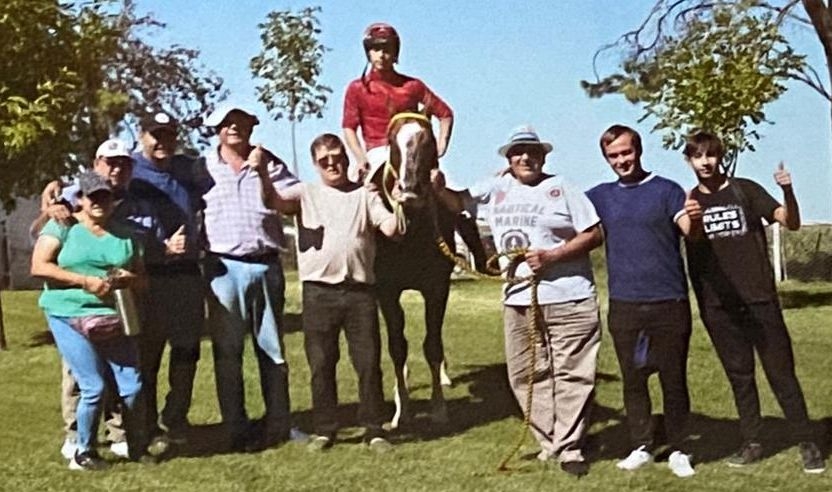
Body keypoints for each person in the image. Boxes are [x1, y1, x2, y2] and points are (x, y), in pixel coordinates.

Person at [436, 126, 603, 477]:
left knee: (571, 373)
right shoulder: (494, 188)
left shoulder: (562, 188)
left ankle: (570, 447)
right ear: (509, 158)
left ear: (543, 156)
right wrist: (434, 185)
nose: (525, 157)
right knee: (525, 374)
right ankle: (550, 440)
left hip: (568, 295)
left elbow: (594, 233)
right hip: (518, 299)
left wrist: (553, 256)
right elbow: (457, 202)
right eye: (518, 152)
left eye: (532, 152)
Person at [682, 131, 825, 474]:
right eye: (698, 156)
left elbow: (790, 222)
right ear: (689, 161)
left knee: (781, 373)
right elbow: (691, 236)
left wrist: (788, 191)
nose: (705, 162)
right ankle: (752, 441)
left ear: (720, 157)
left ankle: (807, 441)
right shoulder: (688, 201)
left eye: (711, 155)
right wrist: (695, 218)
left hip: (759, 300)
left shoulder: (744, 189)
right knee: (740, 376)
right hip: (718, 306)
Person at [254, 133, 399, 452]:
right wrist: (263, 173)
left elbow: (392, 229)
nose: (332, 164)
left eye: (337, 157)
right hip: (319, 292)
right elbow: (273, 202)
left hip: (360, 292)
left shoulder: (365, 194)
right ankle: (325, 429)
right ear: (315, 164)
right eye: (324, 160)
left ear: (346, 158)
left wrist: (399, 200)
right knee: (321, 364)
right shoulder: (305, 193)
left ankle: (374, 430)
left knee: (368, 363)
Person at [586, 125, 698, 478]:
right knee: (633, 379)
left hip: (669, 300)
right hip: (625, 303)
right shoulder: (600, 196)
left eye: (626, 152)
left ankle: (679, 448)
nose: (622, 160)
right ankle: (642, 445)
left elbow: (690, 230)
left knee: (673, 379)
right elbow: (560, 207)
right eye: (614, 156)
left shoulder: (667, 190)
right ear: (606, 159)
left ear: (639, 150)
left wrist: (694, 218)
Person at [31, 171, 154, 470]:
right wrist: (84, 281)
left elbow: (143, 282)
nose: (99, 202)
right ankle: (84, 451)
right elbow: (39, 266)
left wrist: (128, 279)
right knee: (93, 386)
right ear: (81, 200)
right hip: (68, 313)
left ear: (114, 200)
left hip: (113, 316)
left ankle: (137, 445)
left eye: (105, 196)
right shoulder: (62, 227)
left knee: (133, 386)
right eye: (92, 197)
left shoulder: (127, 236)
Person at [201, 104, 300, 451]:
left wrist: (263, 176)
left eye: (241, 123)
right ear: (217, 129)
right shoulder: (202, 167)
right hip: (223, 268)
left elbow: (293, 203)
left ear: (252, 128)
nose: (234, 128)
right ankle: (235, 427)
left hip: (265, 264)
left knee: (272, 350)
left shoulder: (270, 163)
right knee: (228, 353)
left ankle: (279, 424)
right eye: (227, 123)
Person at [128, 110, 209, 448]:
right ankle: (146, 425)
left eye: (169, 135)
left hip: (187, 275)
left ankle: (176, 418)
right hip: (150, 276)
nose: (163, 142)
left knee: (187, 350)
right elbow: (84, 191)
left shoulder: (187, 169)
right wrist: (56, 195)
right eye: (155, 135)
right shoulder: (129, 169)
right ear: (141, 135)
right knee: (148, 355)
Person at [342, 22, 453, 182]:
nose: (381, 55)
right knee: (360, 190)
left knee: (439, 185)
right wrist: (360, 158)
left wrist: (439, 148)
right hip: (377, 153)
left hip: (412, 153)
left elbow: (445, 114)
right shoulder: (357, 88)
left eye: (387, 49)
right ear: (368, 52)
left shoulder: (412, 86)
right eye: (375, 49)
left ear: (395, 52)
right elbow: (349, 127)